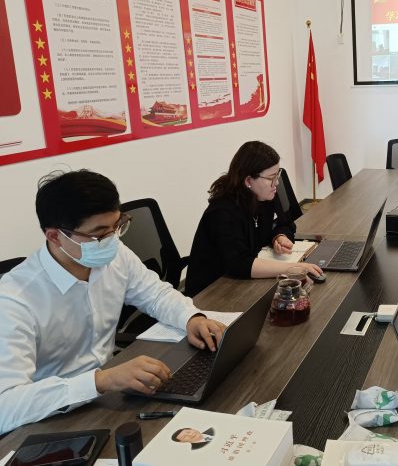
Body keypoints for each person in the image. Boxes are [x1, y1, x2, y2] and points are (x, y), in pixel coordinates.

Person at [0, 170, 226, 435]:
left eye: (117, 226)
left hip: (110, 396)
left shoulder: (114, 254)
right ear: (55, 236)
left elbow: (155, 294)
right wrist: (102, 380)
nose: (112, 240)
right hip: (50, 417)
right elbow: (6, 405)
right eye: (99, 235)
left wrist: (191, 317)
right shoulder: (15, 299)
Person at [186, 141, 322, 297]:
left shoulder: (265, 195)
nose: (276, 182)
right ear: (248, 181)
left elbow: (285, 223)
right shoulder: (223, 212)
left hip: (245, 282)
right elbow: (239, 263)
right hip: (212, 291)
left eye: (277, 175)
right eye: (271, 177)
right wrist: (294, 269)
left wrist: (279, 236)